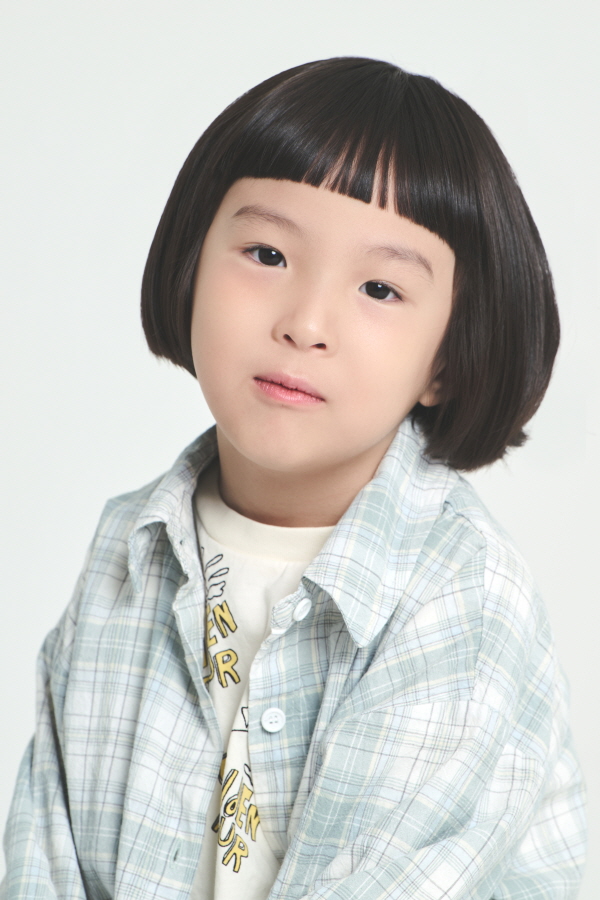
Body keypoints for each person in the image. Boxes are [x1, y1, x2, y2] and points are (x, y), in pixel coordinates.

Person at [1, 57, 586, 900]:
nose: (306, 323)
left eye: (380, 287)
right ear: (191, 265)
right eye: (267, 253)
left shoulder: (461, 596)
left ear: (446, 360)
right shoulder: (127, 551)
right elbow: (46, 852)